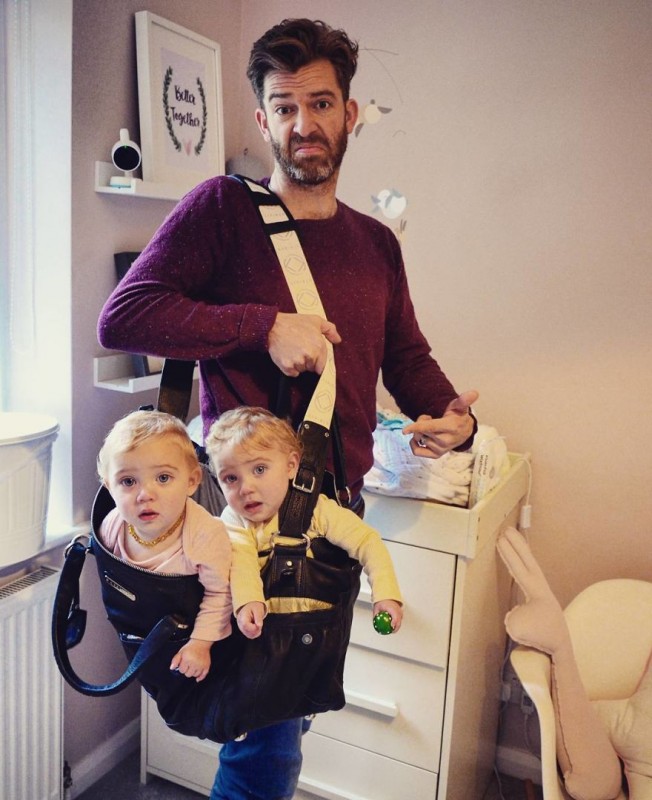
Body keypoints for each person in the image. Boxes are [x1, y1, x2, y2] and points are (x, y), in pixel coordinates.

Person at [98, 17, 477, 800]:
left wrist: (451, 416)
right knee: (265, 747)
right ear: (264, 118)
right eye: (285, 106)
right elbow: (124, 316)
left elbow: (404, 354)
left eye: (321, 103)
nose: (304, 123)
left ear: (349, 113)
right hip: (254, 517)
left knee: (284, 718)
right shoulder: (222, 210)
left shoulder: (376, 244)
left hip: (334, 513)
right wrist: (260, 325)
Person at [206, 406, 403, 639]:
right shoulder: (233, 518)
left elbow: (367, 541)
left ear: (291, 466)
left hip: (319, 633)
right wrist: (247, 601)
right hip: (262, 635)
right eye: (231, 478)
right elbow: (241, 560)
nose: (246, 488)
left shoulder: (316, 509)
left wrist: (385, 593)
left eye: (259, 469)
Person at [97, 410, 233, 682]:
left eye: (163, 478)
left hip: (194, 649)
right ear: (109, 487)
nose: (145, 494)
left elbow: (221, 593)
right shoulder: (112, 526)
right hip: (142, 644)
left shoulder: (205, 534)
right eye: (128, 481)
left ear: (192, 481)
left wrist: (200, 644)